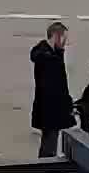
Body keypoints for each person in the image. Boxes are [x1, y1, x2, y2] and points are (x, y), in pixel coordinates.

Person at [30, 22, 75, 157]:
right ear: (56, 36)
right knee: (49, 145)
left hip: (49, 108)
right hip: (50, 109)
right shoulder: (49, 57)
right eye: (64, 38)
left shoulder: (52, 54)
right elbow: (56, 86)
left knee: (49, 142)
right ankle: (45, 172)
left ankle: (44, 170)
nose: (65, 43)